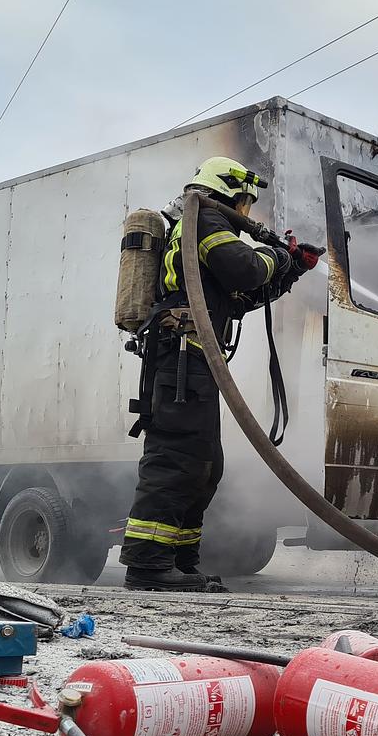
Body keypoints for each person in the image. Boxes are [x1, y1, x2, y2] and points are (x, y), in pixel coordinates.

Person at [121, 157, 313, 591]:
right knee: (175, 461)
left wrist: (294, 268)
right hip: (181, 361)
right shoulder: (204, 218)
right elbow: (246, 267)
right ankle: (148, 565)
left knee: (205, 466)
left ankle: (181, 562)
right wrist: (278, 254)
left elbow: (240, 296)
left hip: (195, 363)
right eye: (245, 202)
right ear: (230, 191)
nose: (246, 214)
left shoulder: (202, 227)